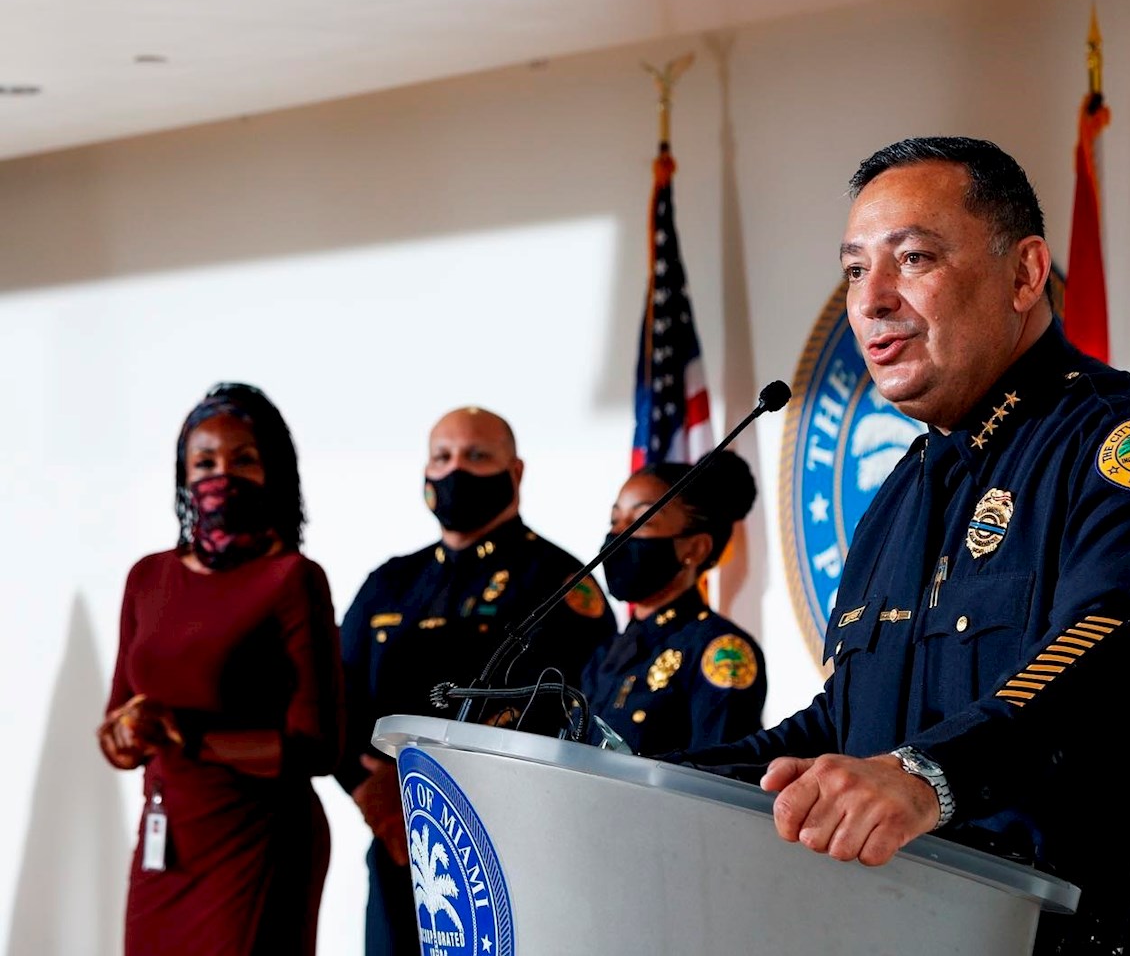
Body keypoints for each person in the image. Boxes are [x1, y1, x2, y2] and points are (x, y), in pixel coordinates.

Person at [680, 137, 1130, 954]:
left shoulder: (1127, 442)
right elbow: (849, 724)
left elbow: (1117, 649)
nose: (872, 300)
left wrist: (932, 775)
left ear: (1025, 274)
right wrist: (666, 780)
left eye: (913, 257)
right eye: (855, 270)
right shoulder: (899, 494)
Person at [338, 405, 616, 956]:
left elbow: (583, 714)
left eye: (477, 455)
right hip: (400, 837)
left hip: (512, 845)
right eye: (442, 456)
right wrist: (365, 787)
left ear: (515, 472)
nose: (456, 468)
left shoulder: (560, 582)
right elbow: (337, 702)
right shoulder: (390, 583)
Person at [97, 383, 343, 956]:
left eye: (244, 460)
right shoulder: (147, 578)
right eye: (204, 462)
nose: (221, 476)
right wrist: (125, 734)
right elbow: (117, 725)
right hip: (167, 842)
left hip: (258, 841)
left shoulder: (293, 579)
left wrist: (192, 738)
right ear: (184, 475)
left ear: (274, 472)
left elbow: (318, 746)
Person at [582, 450, 766, 756]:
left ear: (695, 548)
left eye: (640, 521)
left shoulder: (719, 651)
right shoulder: (604, 653)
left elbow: (718, 780)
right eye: (616, 520)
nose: (617, 534)